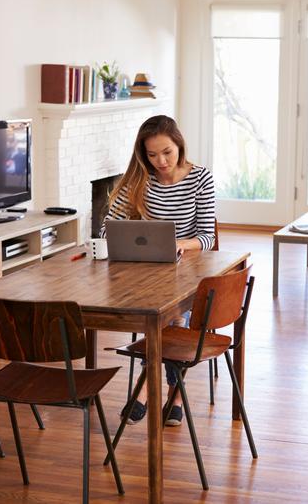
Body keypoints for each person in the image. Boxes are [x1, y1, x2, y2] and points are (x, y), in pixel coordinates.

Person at [101, 114, 216, 427]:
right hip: (145, 273)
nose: (161, 161)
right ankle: (168, 394)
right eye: (152, 155)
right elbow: (107, 229)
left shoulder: (200, 178)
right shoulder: (138, 180)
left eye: (167, 152)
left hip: (189, 271)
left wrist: (178, 244)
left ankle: (158, 393)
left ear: (179, 144)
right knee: (163, 320)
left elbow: (207, 237)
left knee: (175, 319)